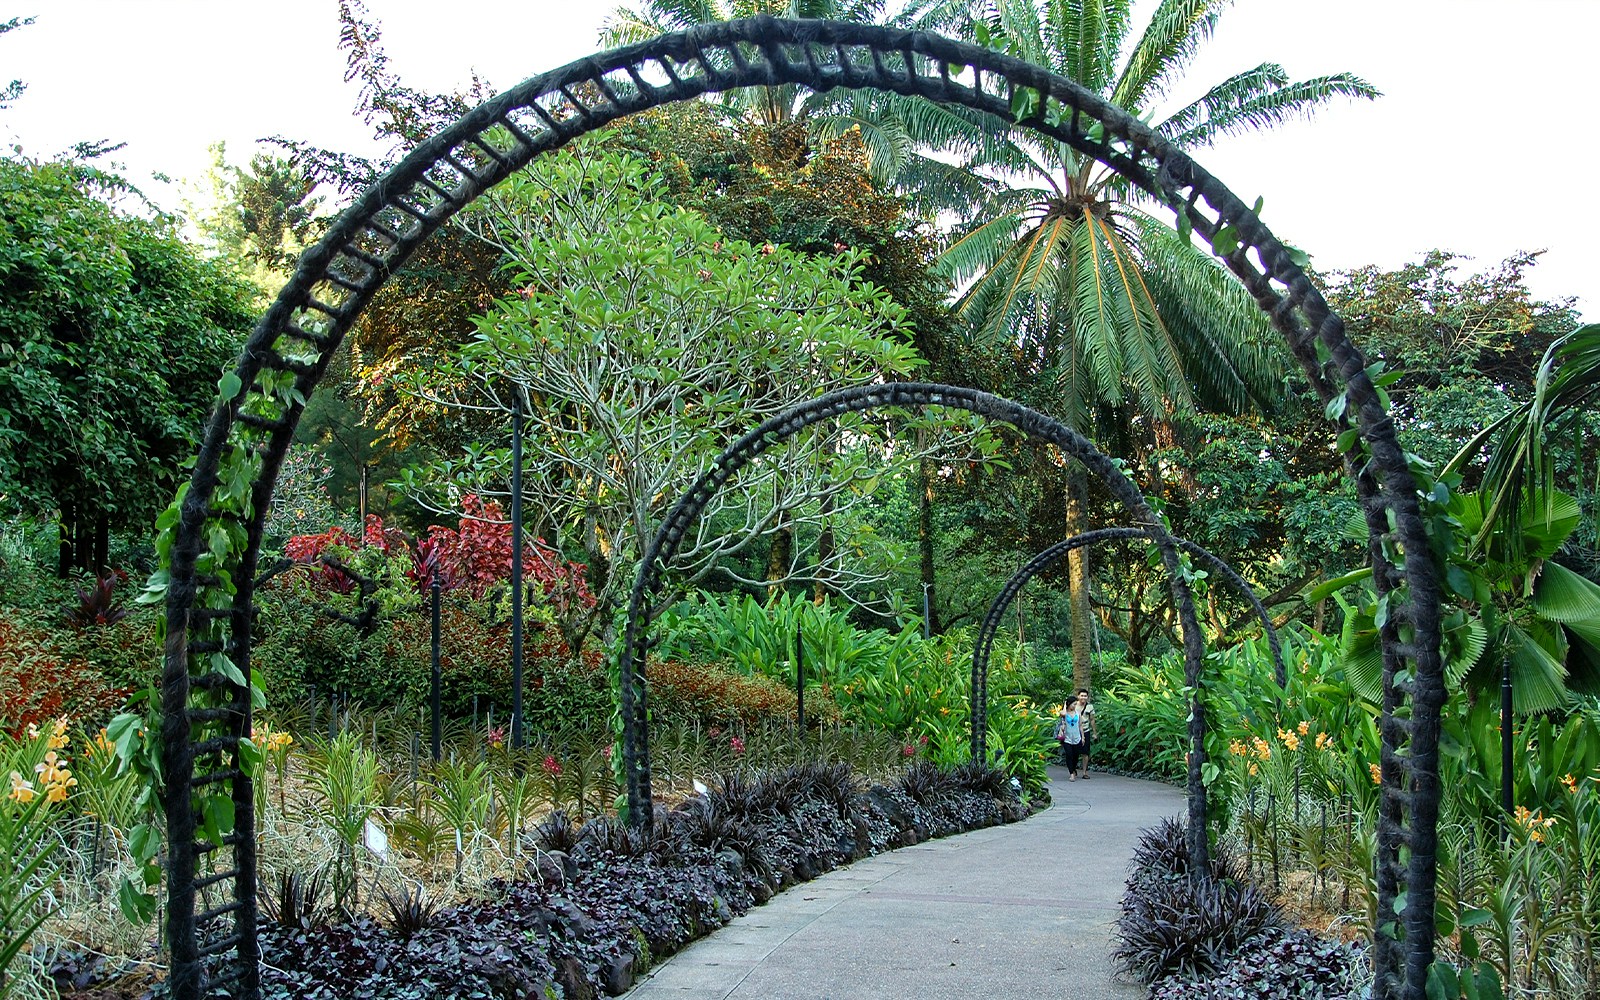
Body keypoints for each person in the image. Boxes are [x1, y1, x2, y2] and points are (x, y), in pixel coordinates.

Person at [1055, 696, 1086, 781]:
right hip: (1067, 738)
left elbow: (1080, 725)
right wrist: (1065, 704)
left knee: (1075, 756)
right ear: (1069, 704)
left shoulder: (1077, 713)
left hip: (1076, 737)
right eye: (1073, 704)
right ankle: (1071, 773)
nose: (1075, 706)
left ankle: (1073, 768)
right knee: (1069, 755)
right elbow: (1063, 714)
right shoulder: (1064, 713)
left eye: (1076, 704)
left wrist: (1083, 737)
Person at [1075, 688, 1096, 779]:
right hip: (1074, 731)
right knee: (1074, 752)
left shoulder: (1089, 707)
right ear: (1078, 696)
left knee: (1085, 752)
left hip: (1086, 730)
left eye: (1085, 696)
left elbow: (1092, 719)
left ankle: (1084, 772)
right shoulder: (1074, 705)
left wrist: (1095, 732)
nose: (1083, 697)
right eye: (1082, 695)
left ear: (1087, 697)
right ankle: (1073, 769)